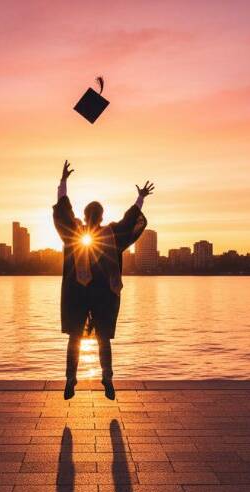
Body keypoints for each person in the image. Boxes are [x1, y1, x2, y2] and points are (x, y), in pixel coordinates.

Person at [53, 160, 154, 400]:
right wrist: (140, 199)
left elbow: (63, 211)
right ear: (101, 216)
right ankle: (107, 377)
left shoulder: (74, 232)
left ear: (86, 216)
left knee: (75, 337)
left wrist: (63, 183)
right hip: (103, 295)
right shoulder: (110, 233)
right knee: (103, 338)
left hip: (77, 293)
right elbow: (129, 220)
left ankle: (70, 379)